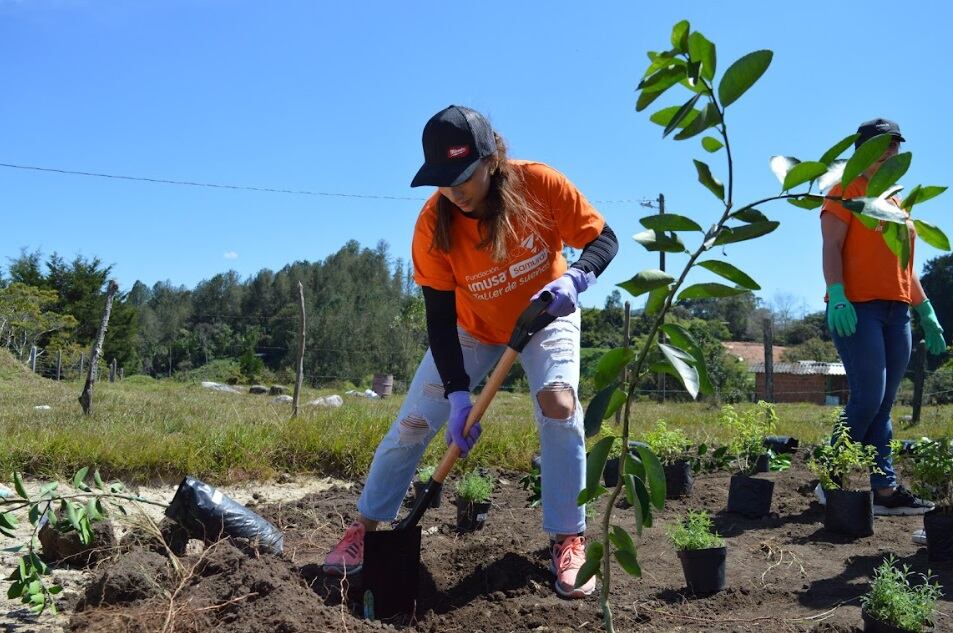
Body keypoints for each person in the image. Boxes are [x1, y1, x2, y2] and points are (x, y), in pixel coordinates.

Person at [322, 105, 618, 598]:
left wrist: (577, 275)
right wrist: (459, 396)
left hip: (545, 313)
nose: (454, 190)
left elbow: (603, 239)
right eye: (442, 179)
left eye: (463, 176)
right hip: (470, 328)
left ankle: (569, 535)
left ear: (491, 158)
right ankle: (366, 530)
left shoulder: (539, 185)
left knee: (559, 405)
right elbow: (439, 321)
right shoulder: (432, 226)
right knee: (415, 421)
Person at [817, 117, 943, 516]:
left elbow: (906, 266)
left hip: (898, 311)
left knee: (885, 403)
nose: (892, 151)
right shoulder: (844, 191)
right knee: (868, 396)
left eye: (896, 145)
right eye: (883, 144)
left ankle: (884, 489)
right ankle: (829, 478)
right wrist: (837, 295)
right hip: (857, 309)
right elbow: (832, 247)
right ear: (863, 150)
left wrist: (926, 310)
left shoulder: (895, 201)